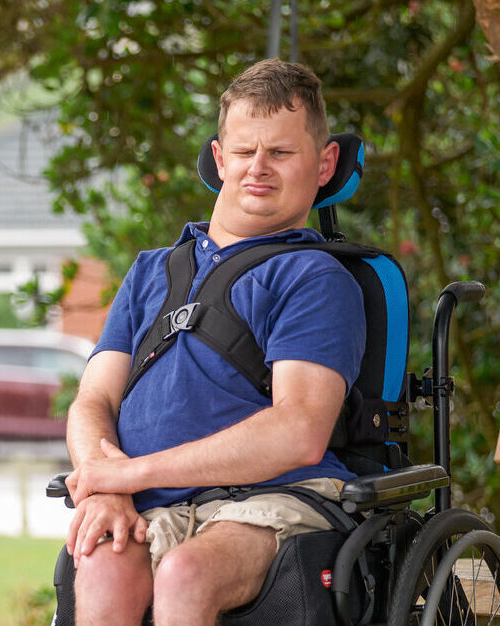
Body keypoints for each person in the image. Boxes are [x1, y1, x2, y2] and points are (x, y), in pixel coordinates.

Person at [62, 59, 367, 626]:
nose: (259, 168)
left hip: (276, 499)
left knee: (186, 573)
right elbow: (92, 403)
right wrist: (102, 488)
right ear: (219, 159)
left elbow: (299, 431)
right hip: (153, 500)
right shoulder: (151, 272)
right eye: (245, 151)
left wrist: (134, 474)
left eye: (281, 153)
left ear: (325, 164)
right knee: (101, 562)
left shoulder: (316, 278)